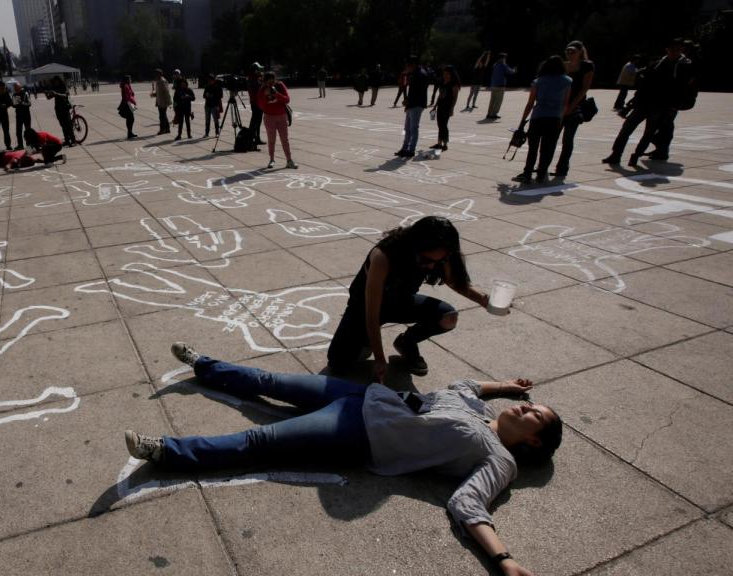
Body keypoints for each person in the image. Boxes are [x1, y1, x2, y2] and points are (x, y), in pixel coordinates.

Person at [127, 342, 562, 576]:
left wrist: (503, 560)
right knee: (272, 380)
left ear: (536, 442)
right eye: (531, 404)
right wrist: (504, 385)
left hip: (359, 433)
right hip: (369, 396)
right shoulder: (479, 410)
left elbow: (469, 505)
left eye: (534, 415)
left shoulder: (499, 461)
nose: (526, 408)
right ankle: (206, 365)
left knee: (259, 441)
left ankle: (168, 452)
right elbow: (466, 383)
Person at [327, 216, 490, 379]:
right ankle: (365, 342)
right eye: (427, 260)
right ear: (414, 245)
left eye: (440, 261)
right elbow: (371, 313)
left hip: (400, 302)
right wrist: (379, 358)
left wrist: (483, 300)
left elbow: (453, 281)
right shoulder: (383, 256)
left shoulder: (439, 253)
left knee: (448, 317)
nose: (433, 266)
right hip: (363, 309)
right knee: (338, 364)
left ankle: (406, 343)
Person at [513, 56, 572, 183]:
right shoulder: (567, 81)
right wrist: (561, 118)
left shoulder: (538, 81)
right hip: (554, 118)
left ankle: (527, 173)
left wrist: (523, 120)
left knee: (533, 148)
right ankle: (541, 172)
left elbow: (530, 103)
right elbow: (565, 103)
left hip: (538, 117)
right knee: (548, 147)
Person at [644, 38, 696, 162]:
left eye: (677, 50)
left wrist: (680, 102)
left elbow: (688, 85)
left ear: (681, 50)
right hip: (658, 100)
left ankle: (662, 150)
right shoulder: (661, 62)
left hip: (673, 101)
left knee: (665, 125)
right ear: (667, 50)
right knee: (654, 126)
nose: (674, 52)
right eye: (671, 49)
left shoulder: (686, 64)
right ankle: (660, 148)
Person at [553, 41, 595, 180]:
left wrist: (571, 107)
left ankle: (562, 168)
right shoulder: (563, 65)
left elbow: (584, 89)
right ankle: (544, 165)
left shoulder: (587, 66)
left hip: (575, 107)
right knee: (551, 137)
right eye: (567, 51)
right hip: (559, 106)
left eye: (572, 51)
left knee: (568, 139)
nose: (569, 54)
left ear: (580, 52)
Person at [257, 71, 297, 170]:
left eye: (273, 81)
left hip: (282, 116)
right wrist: (265, 96)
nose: (271, 84)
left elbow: (287, 99)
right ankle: (272, 159)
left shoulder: (279, 85)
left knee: (285, 139)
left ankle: (289, 160)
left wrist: (276, 94)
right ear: (265, 82)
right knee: (271, 140)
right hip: (269, 117)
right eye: (269, 82)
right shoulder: (262, 89)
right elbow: (260, 105)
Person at [394, 56, 429, 159]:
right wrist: (408, 104)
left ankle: (411, 150)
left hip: (417, 104)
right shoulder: (414, 73)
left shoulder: (421, 74)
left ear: (412, 65)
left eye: (407, 66)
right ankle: (404, 148)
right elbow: (412, 90)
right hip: (412, 104)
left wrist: (408, 101)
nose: (406, 68)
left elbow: (419, 92)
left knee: (413, 128)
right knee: (407, 128)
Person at [431, 65, 461, 151]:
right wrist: (435, 106)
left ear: (451, 74)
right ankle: (439, 143)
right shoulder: (442, 82)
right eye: (444, 73)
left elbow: (455, 98)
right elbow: (440, 95)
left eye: (447, 74)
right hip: (440, 106)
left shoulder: (454, 84)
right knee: (440, 125)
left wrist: (452, 109)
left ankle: (445, 144)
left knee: (443, 125)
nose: (445, 75)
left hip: (447, 107)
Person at [485, 53, 516, 120]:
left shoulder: (495, 65)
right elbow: (510, 72)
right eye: (504, 58)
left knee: (492, 100)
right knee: (498, 101)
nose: (505, 59)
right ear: (502, 58)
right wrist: (514, 70)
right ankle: (493, 114)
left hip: (493, 85)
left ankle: (489, 114)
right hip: (500, 86)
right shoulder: (503, 65)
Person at [47, 77, 77, 146]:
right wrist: (47, 93)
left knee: (68, 125)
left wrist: (56, 94)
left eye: (56, 81)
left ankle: (73, 140)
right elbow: (49, 97)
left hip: (65, 108)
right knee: (63, 125)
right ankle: (67, 140)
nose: (55, 83)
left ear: (59, 81)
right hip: (58, 109)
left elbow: (66, 95)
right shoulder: (55, 88)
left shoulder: (63, 87)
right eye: (54, 82)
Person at [151, 69, 173, 135]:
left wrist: (168, 102)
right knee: (163, 115)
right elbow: (159, 92)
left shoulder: (162, 81)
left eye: (156, 74)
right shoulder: (158, 81)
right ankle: (167, 129)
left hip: (163, 102)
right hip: (160, 101)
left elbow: (166, 92)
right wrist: (154, 94)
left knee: (161, 116)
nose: (155, 76)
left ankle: (162, 129)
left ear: (160, 74)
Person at [247, 63, 264, 144]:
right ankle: (252, 137)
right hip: (256, 103)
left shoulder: (255, 79)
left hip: (257, 103)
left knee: (258, 120)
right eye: (259, 70)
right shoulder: (254, 80)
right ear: (256, 71)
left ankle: (256, 138)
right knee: (255, 120)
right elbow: (259, 90)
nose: (261, 71)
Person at [12, 82, 32, 150]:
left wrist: (21, 102)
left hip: (26, 114)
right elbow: (14, 105)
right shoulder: (14, 94)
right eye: (14, 88)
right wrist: (14, 103)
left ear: (20, 87)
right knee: (18, 131)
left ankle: (29, 147)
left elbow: (29, 104)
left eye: (16, 87)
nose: (15, 89)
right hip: (19, 115)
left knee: (28, 131)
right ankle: (20, 145)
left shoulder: (25, 93)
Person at [119, 75, 138, 140]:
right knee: (131, 118)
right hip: (128, 103)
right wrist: (132, 102)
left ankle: (130, 133)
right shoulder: (125, 86)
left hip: (129, 103)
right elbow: (128, 96)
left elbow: (132, 93)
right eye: (130, 79)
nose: (131, 80)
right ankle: (129, 133)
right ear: (127, 80)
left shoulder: (127, 85)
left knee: (130, 118)